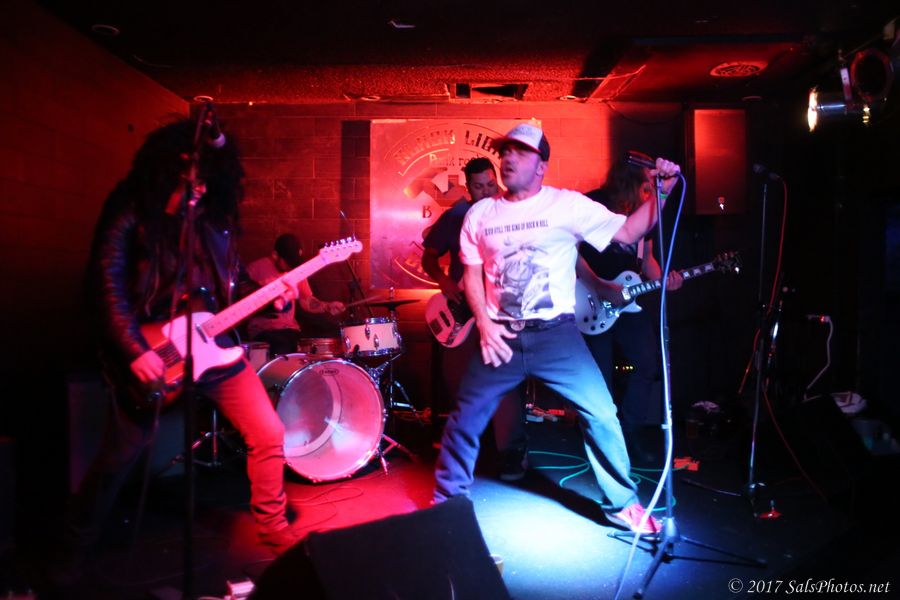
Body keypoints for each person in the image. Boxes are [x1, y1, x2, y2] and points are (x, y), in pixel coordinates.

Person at [52, 119, 303, 586]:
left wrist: (269, 296)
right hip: (155, 349)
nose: (199, 186)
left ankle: (274, 529)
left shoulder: (214, 220)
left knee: (268, 432)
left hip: (215, 350)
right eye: (190, 175)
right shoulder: (130, 211)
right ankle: (72, 548)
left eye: (206, 178)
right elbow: (105, 285)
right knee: (119, 457)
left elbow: (226, 291)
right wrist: (133, 350)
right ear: (166, 168)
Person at [433, 123, 681, 535]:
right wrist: (484, 324)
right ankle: (446, 502)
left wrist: (663, 192)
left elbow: (629, 231)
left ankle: (622, 504)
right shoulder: (480, 214)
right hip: (501, 335)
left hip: (557, 336)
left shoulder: (566, 205)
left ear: (541, 165)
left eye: (520, 152)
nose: (508, 158)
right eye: (505, 151)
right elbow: (471, 275)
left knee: (601, 413)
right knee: (466, 417)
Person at [422, 158, 529, 481]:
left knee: (505, 379)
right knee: (457, 378)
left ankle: (511, 452)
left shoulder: (513, 213)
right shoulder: (457, 216)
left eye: (491, 185)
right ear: (468, 187)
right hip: (463, 309)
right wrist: (444, 281)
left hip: (501, 309)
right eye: (479, 186)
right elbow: (429, 256)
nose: (486, 191)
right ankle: (472, 446)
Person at [577, 152, 683, 462]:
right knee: (599, 377)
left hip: (627, 304)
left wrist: (666, 279)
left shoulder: (646, 214)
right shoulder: (594, 203)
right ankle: (601, 443)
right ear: (630, 183)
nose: (650, 194)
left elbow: (646, 259)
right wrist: (598, 285)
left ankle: (631, 432)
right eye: (646, 187)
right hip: (591, 299)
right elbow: (571, 253)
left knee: (648, 364)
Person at [245, 233, 345, 356]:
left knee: (326, 342)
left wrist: (327, 306)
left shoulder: (296, 271)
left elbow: (306, 301)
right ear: (275, 255)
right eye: (288, 262)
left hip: (290, 330)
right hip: (264, 331)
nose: (291, 266)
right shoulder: (256, 269)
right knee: (282, 346)